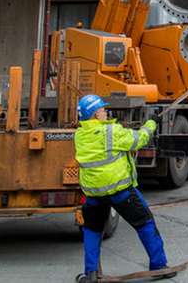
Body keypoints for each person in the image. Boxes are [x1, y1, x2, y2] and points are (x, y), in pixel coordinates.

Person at [74, 94, 173, 282]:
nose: (105, 112)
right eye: (102, 110)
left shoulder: (79, 136)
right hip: (121, 192)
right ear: (95, 114)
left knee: (92, 231)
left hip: (94, 194)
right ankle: (159, 266)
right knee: (145, 224)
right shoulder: (111, 131)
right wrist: (151, 123)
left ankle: (91, 273)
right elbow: (139, 139)